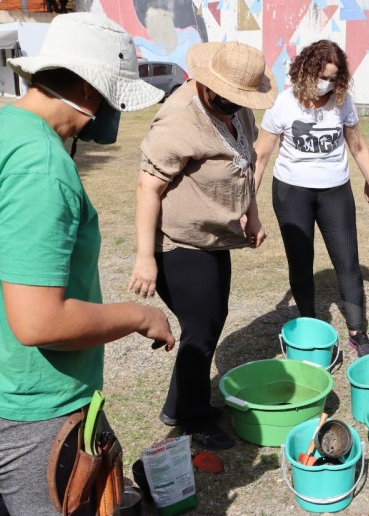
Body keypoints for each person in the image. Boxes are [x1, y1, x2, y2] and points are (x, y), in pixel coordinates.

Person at [0, 13, 174, 516]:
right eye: (112, 97)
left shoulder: (4, 128)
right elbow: (39, 322)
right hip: (30, 410)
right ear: (86, 88)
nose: (110, 113)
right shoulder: (41, 167)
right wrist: (140, 315)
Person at [128, 42, 276, 450]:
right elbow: (147, 186)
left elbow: (245, 163)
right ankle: (192, 419)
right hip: (177, 243)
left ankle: (178, 405)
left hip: (214, 238)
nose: (234, 106)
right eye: (227, 99)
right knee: (201, 328)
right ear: (207, 84)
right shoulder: (180, 116)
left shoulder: (237, 109)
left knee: (210, 321)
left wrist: (253, 214)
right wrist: (145, 258)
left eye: (240, 101)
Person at [254, 39, 369, 357]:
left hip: (335, 192)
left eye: (333, 77)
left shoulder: (342, 102)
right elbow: (260, 157)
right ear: (305, 70)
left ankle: (359, 333)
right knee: (301, 263)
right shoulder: (283, 104)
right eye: (321, 75)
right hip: (291, 193)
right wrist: (248, 206)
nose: (326, 83)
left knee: (348, 262)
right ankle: (310, 327)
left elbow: (357, 147)